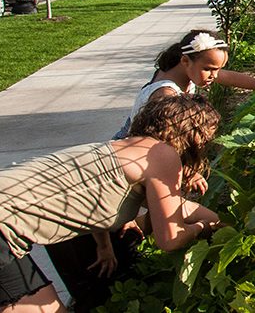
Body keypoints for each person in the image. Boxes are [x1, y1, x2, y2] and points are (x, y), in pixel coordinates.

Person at [0, 94, 224, 311]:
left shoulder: (126, 149)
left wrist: (104, 245)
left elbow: (93, 200)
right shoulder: (163, 155)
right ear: (194, 134)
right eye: (208, 138)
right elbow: (171, 239)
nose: (206, 145)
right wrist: (202, 228)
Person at [115, 30, 255, 143]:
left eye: (218, 69)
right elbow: (163, 140)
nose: (214, 75)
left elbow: (229, 77)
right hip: (137, 150)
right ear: (185, 61)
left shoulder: (184, 71)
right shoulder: (165, 94)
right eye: (209, 69)